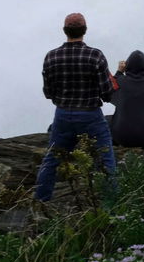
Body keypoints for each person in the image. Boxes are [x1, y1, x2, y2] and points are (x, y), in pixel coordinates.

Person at [35, 12, 118, 202]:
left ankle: (41, 202)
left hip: (63, 115)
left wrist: (62, 100)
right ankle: (111, 206)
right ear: (85, 30)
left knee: (52, 160)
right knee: (105, 160)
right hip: (90, 115)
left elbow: (48, 92)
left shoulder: (51, 57)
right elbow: (107, 92)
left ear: (65, 31)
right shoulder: (95, 55)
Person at [110, 50, 144, 148]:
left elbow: (110, 90)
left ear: (127, 66)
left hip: (120, 137)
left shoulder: (121, 80)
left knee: (120, 107)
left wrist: (119, 72)